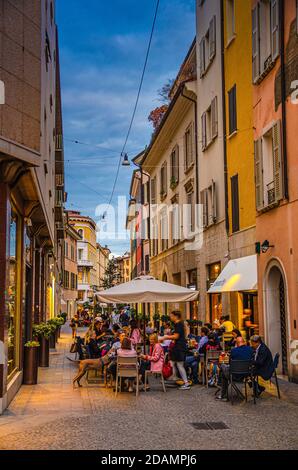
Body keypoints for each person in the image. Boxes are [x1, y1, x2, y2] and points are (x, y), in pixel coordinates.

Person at [159, 311, 190, 390]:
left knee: (179, 365)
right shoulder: (179, 324)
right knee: (173, 363)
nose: (170, 317)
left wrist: (165, 337)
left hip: (179, 347)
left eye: (172, 316)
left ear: (176, 316)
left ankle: (186, 383)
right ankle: (174, 378)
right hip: (178, 347)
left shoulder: (178, 324)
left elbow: (176, 336)